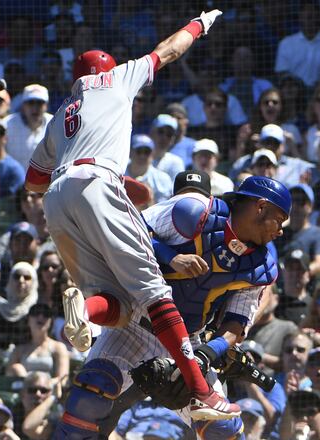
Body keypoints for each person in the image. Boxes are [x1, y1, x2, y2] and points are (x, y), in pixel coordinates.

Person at [23, 10, 240, 422]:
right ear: (106, 68)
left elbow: (33, 182)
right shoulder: (117, 78)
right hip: (97, 182)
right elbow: (169, 50)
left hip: (57, 196)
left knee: (117, 306)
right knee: (155, 291)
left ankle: (84, 310)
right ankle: (200, 393)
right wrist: (199, 24)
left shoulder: (60, 115)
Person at [71, 176, 290, 438]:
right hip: (135, 325)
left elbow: (236, 323)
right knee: (91, 397)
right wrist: (171, 256)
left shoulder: (261, 267)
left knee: (224, 430)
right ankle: (85, 312)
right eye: (279, 219)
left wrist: (207, 353)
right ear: (261, 207)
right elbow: (126, 232)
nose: (280, 231)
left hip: (189, 342)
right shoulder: (193, 210)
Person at [5, 303, 69, 382]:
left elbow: (63, 379)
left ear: (51, 321)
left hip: (48, 390)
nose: (41, 316)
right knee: (16, 367)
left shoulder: (58, 347)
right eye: (35, 313)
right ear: (28, 320)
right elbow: (8, 375)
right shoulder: (18, 350)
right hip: (24, 391)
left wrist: (42, 385)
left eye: (46, 314)